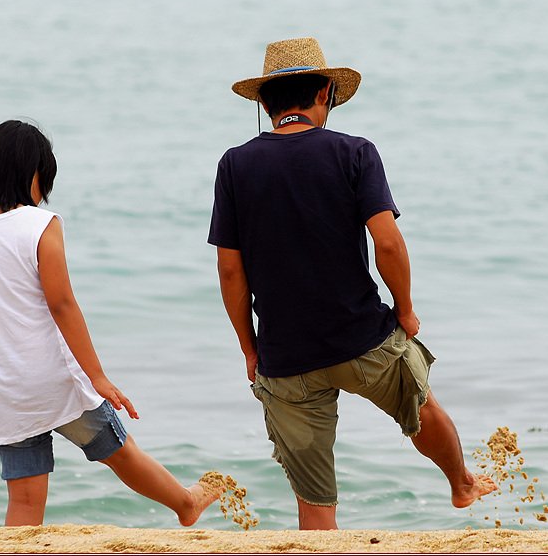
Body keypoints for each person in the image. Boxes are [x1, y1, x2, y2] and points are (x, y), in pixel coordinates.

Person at [209, 37, 497, 530]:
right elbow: (388, 243)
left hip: (287, 359)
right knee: (420, 404)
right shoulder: (354, 152)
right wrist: (405, 310)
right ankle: (461, 484)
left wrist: (250, 349)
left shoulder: (234, 165)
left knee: (315, 504)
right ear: (324, 93)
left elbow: (231, 271)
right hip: (364, 340)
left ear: (264, 102)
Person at [0, 120, 222, 527]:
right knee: (121, 452)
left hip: (5, 391)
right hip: (55, 381)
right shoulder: (40, 225)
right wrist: (97, 376)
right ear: (32, 175)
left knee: (24, 501)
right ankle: (186, 504)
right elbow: (62, 303)